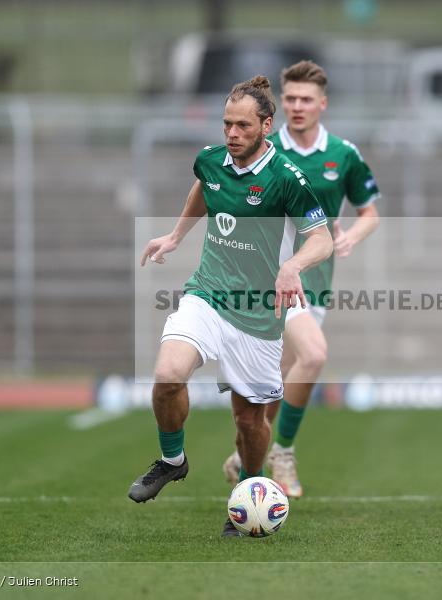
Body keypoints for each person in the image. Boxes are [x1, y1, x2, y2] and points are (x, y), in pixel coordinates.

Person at [128, 75, 333, 537]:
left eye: (242, 126)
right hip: (208, 292)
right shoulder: (210, 160)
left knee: (249, 419)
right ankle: (172, 459)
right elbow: (204, 186)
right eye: (226, 124)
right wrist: (177, 235)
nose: (232, 134)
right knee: (167, 374)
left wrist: (292, 266)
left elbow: (321, 238)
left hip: (259, 313)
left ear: (266, 125)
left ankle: (248, 491)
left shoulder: (286, 178)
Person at [221, 60, 381, 498]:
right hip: (270, 279)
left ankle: (248, 452)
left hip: (318, 280)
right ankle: (283, 453)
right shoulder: (264, 148)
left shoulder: (343, 155)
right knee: (311, 356)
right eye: (289, 98)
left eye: (305, 99)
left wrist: (350, 234)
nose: (297, 105)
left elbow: (370, 213)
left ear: (322, 104)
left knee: (283, 373)